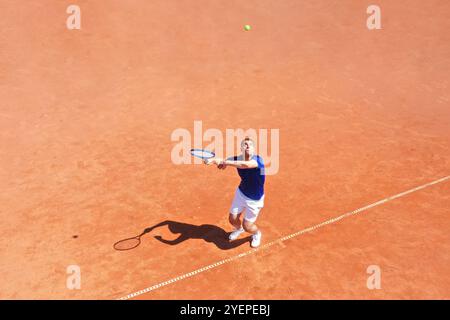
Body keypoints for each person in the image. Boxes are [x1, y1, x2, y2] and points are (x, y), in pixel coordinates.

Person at [204, 137, 265, 248]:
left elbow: (245, 165)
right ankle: (238, 229)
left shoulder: (258, 160)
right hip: (241, 193)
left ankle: (257, 234)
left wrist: (225, 162)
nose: (247, 146)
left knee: (248, 226)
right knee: (232, 219)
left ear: (253, 149)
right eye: (244, 144)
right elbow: (222, 164)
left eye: (250, 145)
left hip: (254, 200)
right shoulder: (236, 159)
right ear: (241, 148)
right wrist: (214, 161)